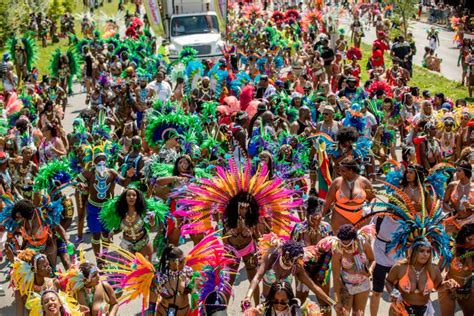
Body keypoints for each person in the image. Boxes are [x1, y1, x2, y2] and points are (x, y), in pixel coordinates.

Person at [331, 224, 374, 316]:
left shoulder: (363, 243)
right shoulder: (337, 250)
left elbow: (372, 260)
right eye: (343, 242)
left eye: (348, 243)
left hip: (363, 284)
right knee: (343, 314)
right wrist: (337, 300)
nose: (345, 246)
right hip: (346, 286)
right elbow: (336, 278)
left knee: (358, 314)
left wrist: (369, 270)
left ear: (354, 239)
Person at [323, 157, 375, 231]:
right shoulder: (337, 182)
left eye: (343, 171)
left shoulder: (364, 181)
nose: (340, 173)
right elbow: (328, 201)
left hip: (361, 217)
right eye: (340, 170)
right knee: (341, 241)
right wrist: (320, 216)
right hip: (340, 216)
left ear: (351, 170)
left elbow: (373, 197)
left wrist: (369, 207)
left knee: (361, 241)